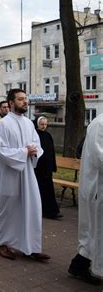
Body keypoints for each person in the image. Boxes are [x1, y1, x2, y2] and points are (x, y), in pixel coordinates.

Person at [0, 89, 50, 261]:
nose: (25, 102)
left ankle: (30, 246)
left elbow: (36, 143)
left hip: (26, 173)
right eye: (20, 99)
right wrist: (23, 152)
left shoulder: (28, 123)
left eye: (25, 99)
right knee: (7, 208)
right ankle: (0, 243)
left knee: (31, 207)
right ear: (11, 103)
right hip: (8, 174)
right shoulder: (3, 124)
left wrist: (34, 151)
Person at [68, 113, 103, 285]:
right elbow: (100, 157)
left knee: (94, 230)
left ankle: (79, 265)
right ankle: (83, 266)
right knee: (94, 229)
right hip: (96, 185)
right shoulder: (100, 124)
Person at [34, 116, 62, 220]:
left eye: (45, 124)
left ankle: (52, 211)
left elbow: (52, 152)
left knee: (49, 190)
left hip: (47, 168)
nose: (44, 126)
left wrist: (53, 166)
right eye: (42, 124)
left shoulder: (48, 135)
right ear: (38, 124)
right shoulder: (35, 135)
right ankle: (42, 210)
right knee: (40, 189)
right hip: (38, 168)